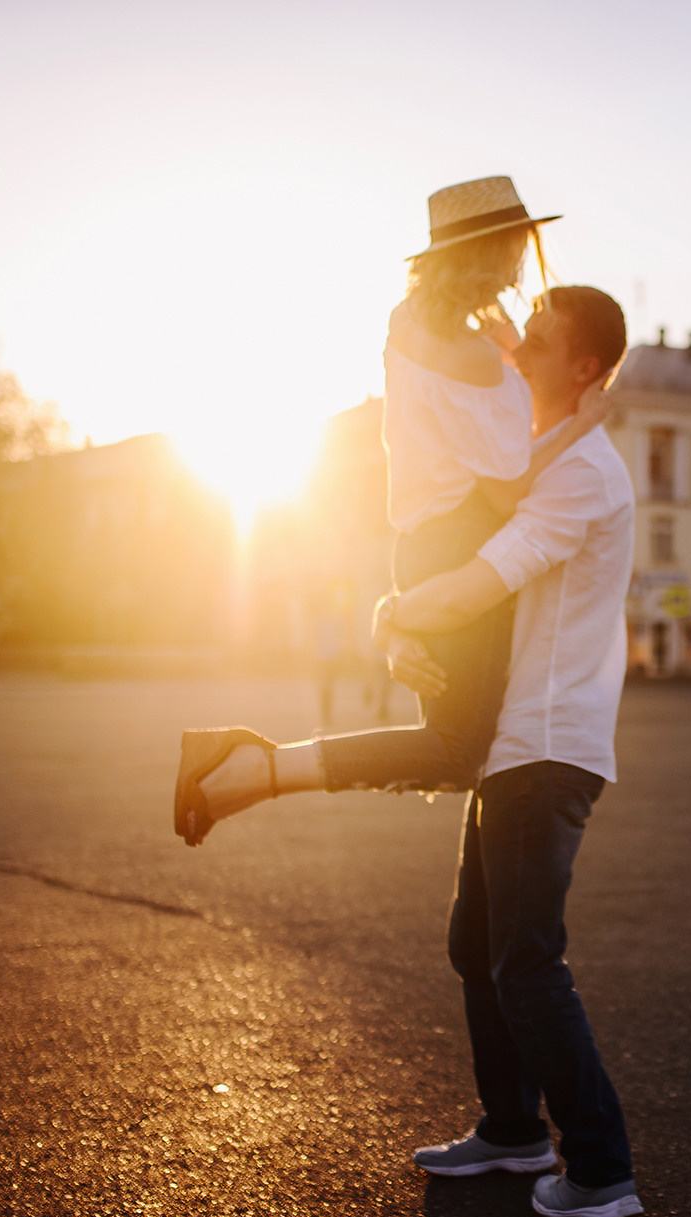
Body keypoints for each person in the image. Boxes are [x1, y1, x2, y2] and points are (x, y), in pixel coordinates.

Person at [172, 176, 608, 842]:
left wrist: (508, 345)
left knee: (453, 741)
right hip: (464, 539)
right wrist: (578, 424)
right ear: (495, 254)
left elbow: (456, 420)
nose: (523, 261)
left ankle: (250, 765)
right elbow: (505, 490)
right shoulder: (477, 358)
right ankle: (254, 766)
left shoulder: (408, 324)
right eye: (517, 246)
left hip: (418, 540)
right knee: (456, 749)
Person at [391, 285, 639, 1217]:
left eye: (537, 339)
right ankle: (511, 1129)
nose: (513, 346)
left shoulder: (583, 476)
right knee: (477, 945)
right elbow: (509, 458)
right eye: (517, 330)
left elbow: (482, 578)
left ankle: (601, 1168)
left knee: (527, 962)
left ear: (583, 367)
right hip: (512, 745)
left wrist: (391, 616)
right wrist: (517, 367)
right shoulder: (556, 456)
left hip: (545, 746)